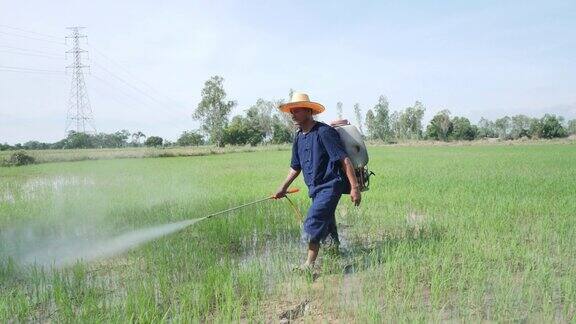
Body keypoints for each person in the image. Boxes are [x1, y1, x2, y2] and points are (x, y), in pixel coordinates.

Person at [274, 92, 361, 270]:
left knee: (313, 221)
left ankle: (309, 264)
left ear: (308, 111)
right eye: (292, 110)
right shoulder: (299, 137)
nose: (292, 114)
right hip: (315, 188)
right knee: (327, 224)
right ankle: (336, 254)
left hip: (331, 185)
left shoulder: (324, 132)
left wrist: (355, 187)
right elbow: (295, 167)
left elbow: (344, 160)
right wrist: (282, 188)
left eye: (296, 110)